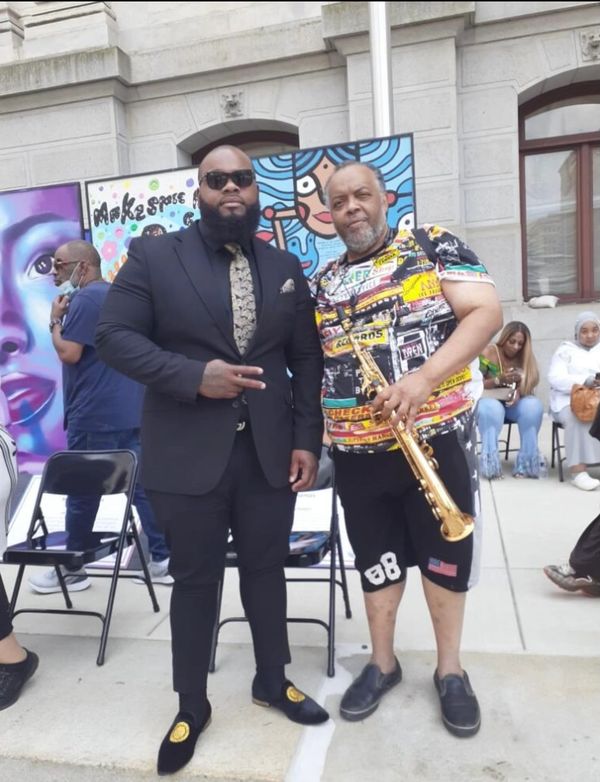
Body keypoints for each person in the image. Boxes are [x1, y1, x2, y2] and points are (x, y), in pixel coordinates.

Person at [95, 145, 328, 776]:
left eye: (242, 178)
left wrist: (307, 439)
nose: (231, 188)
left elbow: (305, 357)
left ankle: (272, 679)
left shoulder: (284, 264)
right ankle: (191, 704)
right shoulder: (154, 257)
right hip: (186, 454)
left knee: (267, 572)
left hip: (269, 455)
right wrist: (193, 376)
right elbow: (113, 337)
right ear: (198, 191)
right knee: (196, 582)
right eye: (216, 179)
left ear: (256, 190)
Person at [312, 161, 502, 737]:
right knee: (376, 559)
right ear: (328, 213)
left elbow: (486, 314)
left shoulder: (433, 245)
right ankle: (383, 663)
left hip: (435, 440)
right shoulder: (323, 281)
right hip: (356, 454)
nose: (351, 208)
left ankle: (450, 671)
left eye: (362, 195)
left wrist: (422, 379)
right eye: (339, 201)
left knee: (445, 558)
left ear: (385, 198)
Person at [28, 240, 172, 594]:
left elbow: (70, 353)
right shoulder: (119, 296)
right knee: (141, 489)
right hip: (130, 411)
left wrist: (54, 321)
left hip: (94, 415)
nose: (55, 273)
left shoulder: (85, 300)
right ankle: (163, 558)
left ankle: (72, 569)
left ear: (83, 266)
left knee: (82, 490)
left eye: (60, 265)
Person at [0, 184, 83, 473]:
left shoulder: (92, 305)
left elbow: (70, 353)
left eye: (44, 264)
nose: (5, 334)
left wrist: (56, 321)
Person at [477, 321, 544, 479]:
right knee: (491, 409)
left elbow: (532, 380)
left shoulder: (525, 356)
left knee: (533, 406)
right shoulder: (489, 353)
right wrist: (498, 380)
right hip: (489, 399)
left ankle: (527, 465)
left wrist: (519, 392)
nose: (516, 347)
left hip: (512, 403)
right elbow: (476, 384)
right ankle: (491, 466)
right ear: (504, 338)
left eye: (520, 344)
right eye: (512, 341)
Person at [548, 311, 600, 491]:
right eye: (584, 331)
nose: (590, 335)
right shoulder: (565, 351)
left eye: (594, 330)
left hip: (597, 398)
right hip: (568, 399)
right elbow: (555, 378)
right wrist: (584, 380)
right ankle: (578, 472)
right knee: (575, 416)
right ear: (577, 333)